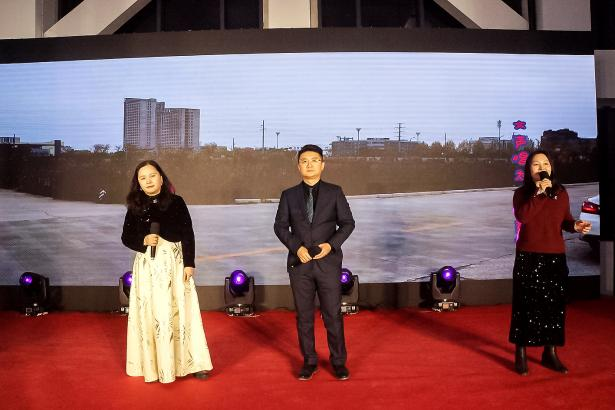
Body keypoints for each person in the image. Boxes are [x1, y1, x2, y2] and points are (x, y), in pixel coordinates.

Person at [121, 160, 213, 383]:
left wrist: (189, 263)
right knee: (153, 313)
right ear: (138, 183)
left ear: (161, 178)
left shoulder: (176, 202)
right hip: (147, 266)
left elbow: (188, 233)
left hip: (174, 263)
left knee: (181, 310)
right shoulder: (135, 206)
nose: (148, 181)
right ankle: (154, 366)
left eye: (152, 176)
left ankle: (193, 363)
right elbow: (126, 237)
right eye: (143, 178)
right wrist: (143, 240)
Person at [274, 144, 355, 381]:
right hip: (300, 265)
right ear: (298, 166)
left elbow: (348, 223)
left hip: (328, 263)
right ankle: (309, 361)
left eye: (314, 160)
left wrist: (331, 245)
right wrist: (297, 248)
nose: (309, 165)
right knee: (304, 316)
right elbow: (280, 226)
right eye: (304, 161)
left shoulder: (335, 192)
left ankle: (338, 361)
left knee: (333, 314)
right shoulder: (288, 195)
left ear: (323, 164)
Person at [509, 150, 591, 376]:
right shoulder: (522, 194)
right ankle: (521, 352)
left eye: (545, 163)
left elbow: (565, 220)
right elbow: (523, 217)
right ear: (529, 170)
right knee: (525, 307)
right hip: (528, 256)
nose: (542, 167)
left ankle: (550, 352)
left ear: (551, 167)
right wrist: (539, 193)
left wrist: (575, 226)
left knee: (553, 308)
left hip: (555, 256)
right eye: (536, 164)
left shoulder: (561, 193)